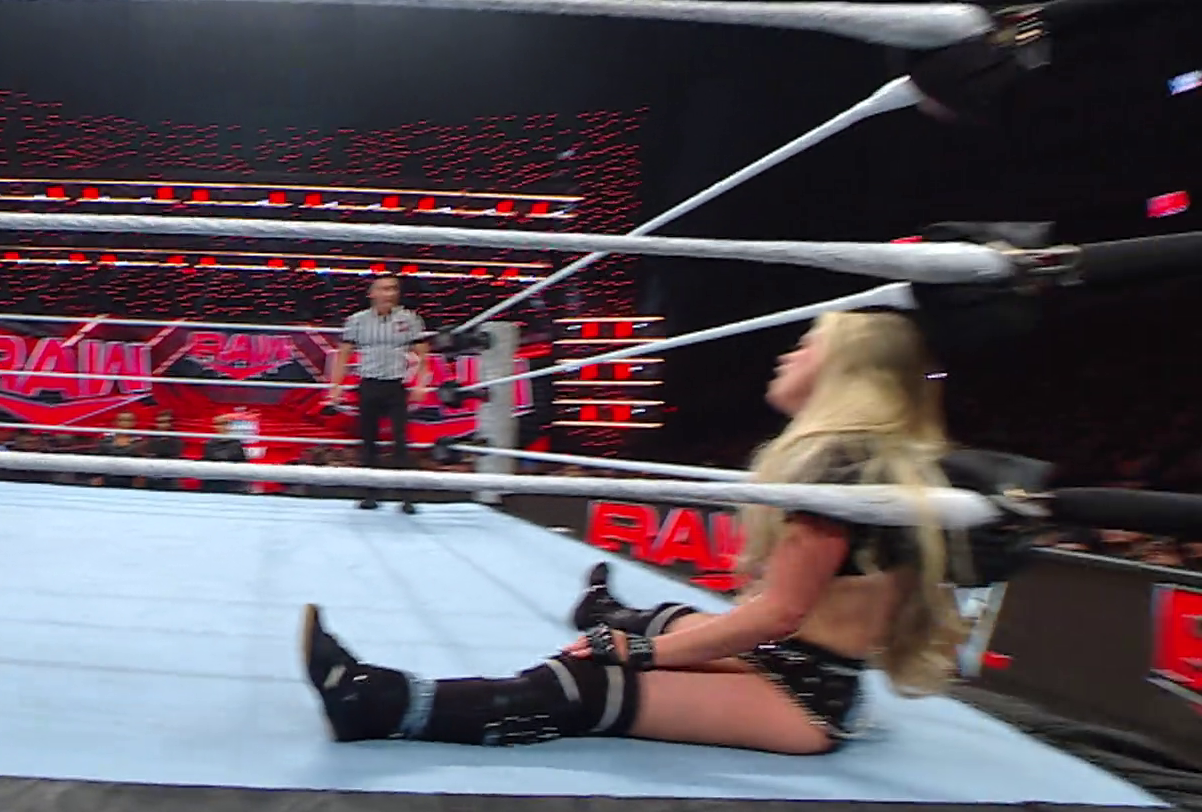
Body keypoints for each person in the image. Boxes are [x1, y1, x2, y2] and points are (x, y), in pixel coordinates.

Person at [302, 310, 968, 755]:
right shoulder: (870, 457)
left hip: (805, 693)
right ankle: (604, 612)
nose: (788, 354)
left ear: (843, 370)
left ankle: (378, 702)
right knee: (651, 623)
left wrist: (642, 653)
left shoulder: (841, 464)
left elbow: (778, 615)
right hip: (799, 665)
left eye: (809, 344)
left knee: (582, 682)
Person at [326, 274, 431, 513]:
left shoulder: (410, 319)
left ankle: (406, 496)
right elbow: (343, 356)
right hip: (368, 385)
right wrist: (335, 387)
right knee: (368, 441)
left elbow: (424, 356)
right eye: (383, 289)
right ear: (372, 293)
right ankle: (370, 494)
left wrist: (421, 384)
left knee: (401, 442)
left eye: (393, 288)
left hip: (396, 386)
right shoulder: (357, 321)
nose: (389, 293)